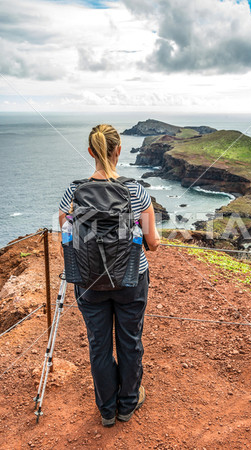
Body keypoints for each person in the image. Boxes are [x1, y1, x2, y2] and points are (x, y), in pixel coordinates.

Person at [58, 124, 160, 427]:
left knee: (98, 343)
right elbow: (152, 243)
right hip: (130, 278)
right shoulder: (136, 191)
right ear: (118, 151)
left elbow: (65, 237)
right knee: (129, 340)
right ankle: (128, 404)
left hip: (88, 281)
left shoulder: (73, 192)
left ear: (91, 152)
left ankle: (106, 409)